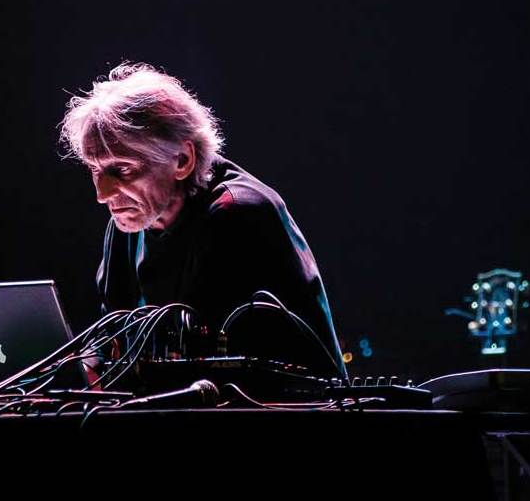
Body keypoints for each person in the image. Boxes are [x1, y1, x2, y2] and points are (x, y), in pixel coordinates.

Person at [60, 62, 346, 378]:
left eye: (122, 169)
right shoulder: (129, 222)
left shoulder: (238, 215)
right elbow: (110, 336)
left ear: (182, 160)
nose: (103, 194)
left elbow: (202, 364)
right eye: (95, 170)